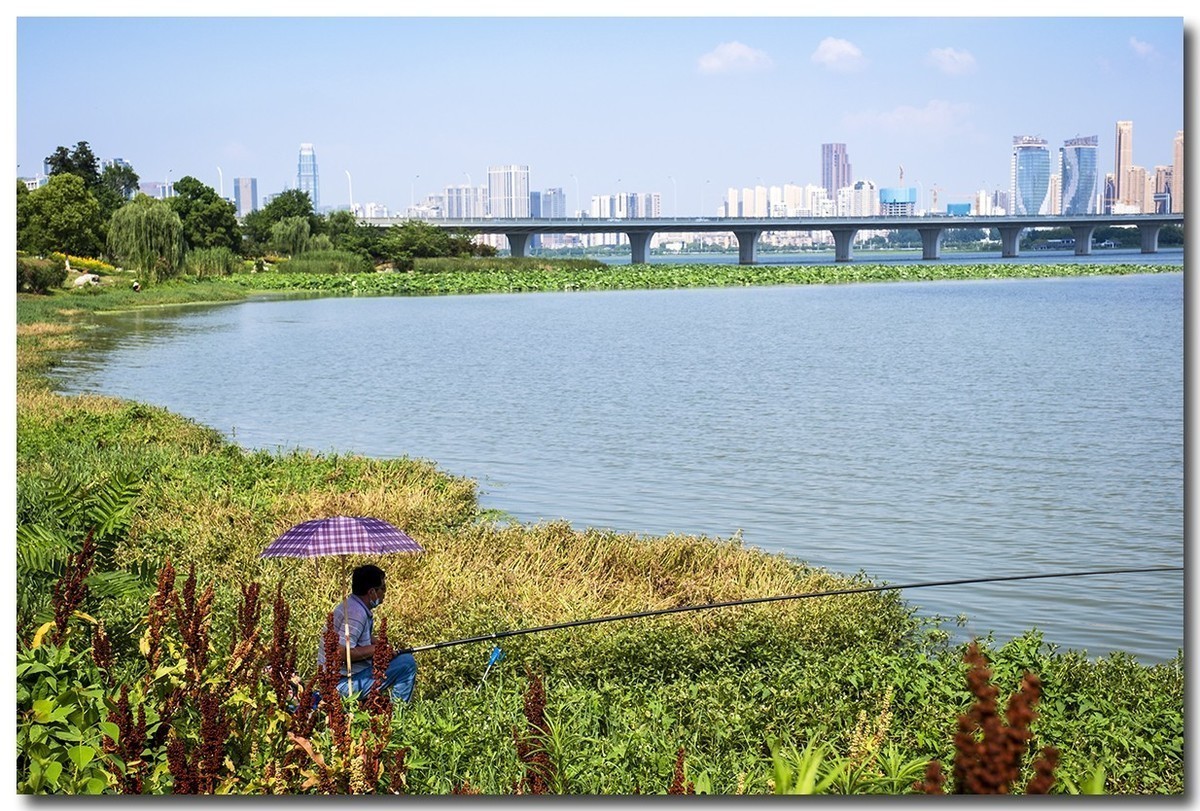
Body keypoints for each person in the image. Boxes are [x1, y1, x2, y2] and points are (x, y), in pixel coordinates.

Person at [316, 564, 417, 703]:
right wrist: (377, 650)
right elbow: (341, 652)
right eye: (383, 588)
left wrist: (380, 645)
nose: (384, 593)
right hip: (341, 685)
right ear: (371, 592)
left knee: (402, 658)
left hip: (337, 679)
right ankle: (398, 716)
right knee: (407, 664)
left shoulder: (351, 605)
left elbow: (358, 636)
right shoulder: (356, 613)